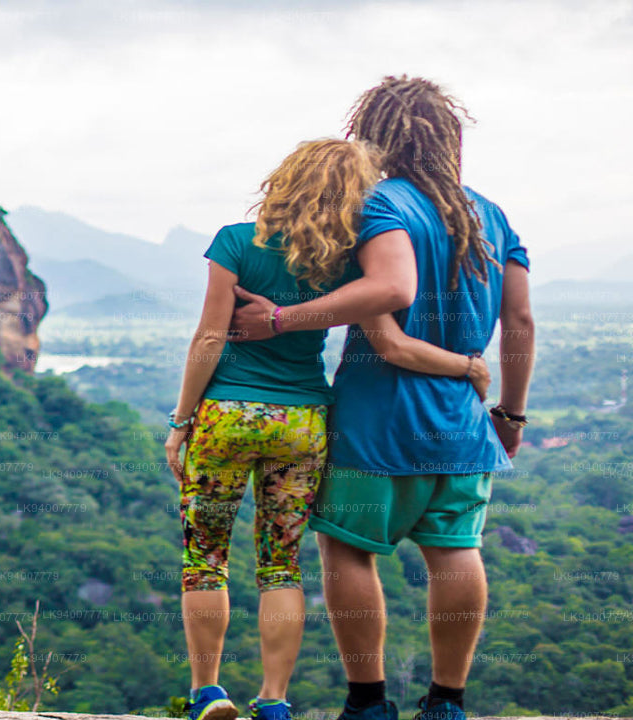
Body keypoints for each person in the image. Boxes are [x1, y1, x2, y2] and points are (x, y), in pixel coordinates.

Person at [227, 76, 535, 720]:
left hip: (376, 421)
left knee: (347, 549)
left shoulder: (373, 206)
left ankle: (367, 702)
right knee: (457, 551)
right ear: (448, 138)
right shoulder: (491, 215)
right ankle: (447, 702)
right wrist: (509, 413)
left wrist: (281, 319)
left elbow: (384, 326)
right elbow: (520, 321)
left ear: (375, 135)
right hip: (461, 422)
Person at [164, 138, 491, 720]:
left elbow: (209, 337)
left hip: (226, 415)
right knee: (280, 564)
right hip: (303, 421)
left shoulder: (235, 241)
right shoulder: (345, 262)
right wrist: (468, 367)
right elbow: (390, 340)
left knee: (205, 559)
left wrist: (182, 420)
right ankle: (274, 699)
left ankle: (207, 691)